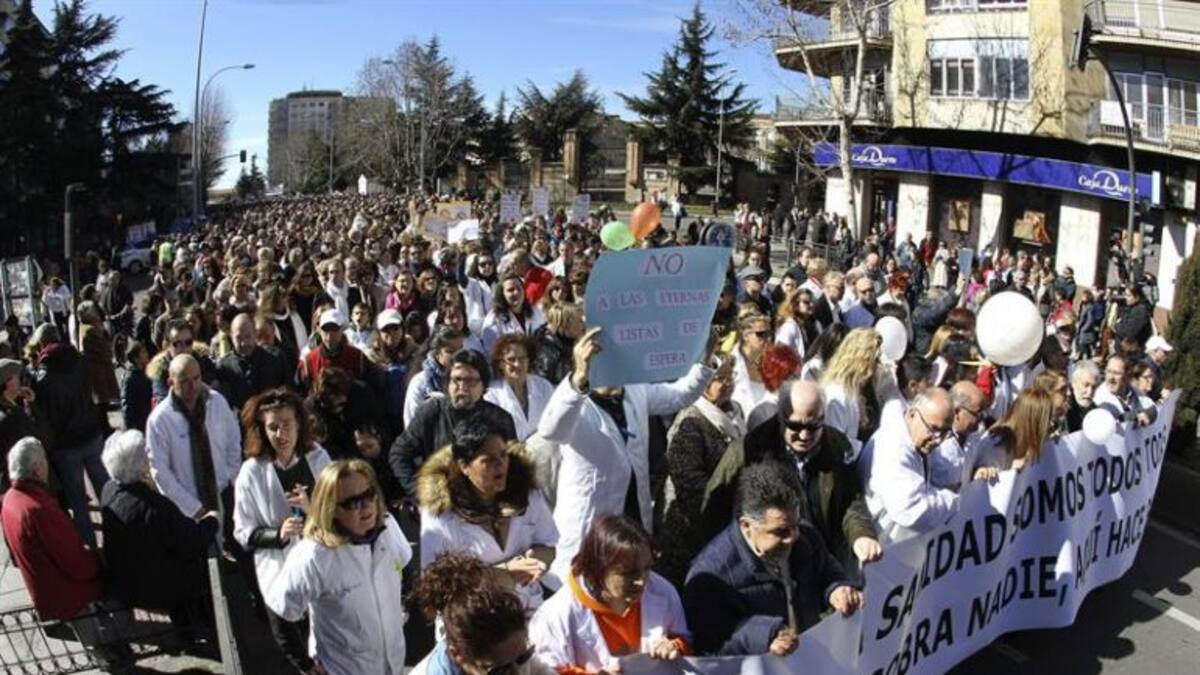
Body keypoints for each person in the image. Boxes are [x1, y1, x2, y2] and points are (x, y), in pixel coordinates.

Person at [537, 328, 712, 583]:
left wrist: (704, 359)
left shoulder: (635, 390)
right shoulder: (576, 403)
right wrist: (578, 380)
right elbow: (550, 429)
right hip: (590, 532)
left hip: (634, 525)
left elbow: (680, 395)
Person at [682, 463, 860, 656]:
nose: (792, 537)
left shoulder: (806, 537)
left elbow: (826, 570)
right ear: (746, 526)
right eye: (780, 531)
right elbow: (711, 642)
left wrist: (836, 588)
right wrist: (764, 635)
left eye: (796, 525)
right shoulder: (710, 578)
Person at [266, 459, 412, 675]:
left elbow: (405, 565)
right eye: (352, 502)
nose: (366, 507)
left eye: (368, 495)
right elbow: (280, 609)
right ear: (331, 509)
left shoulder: (388, 527)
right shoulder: (314, 556)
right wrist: (305, 665)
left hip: (393, 664)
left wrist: (403, 604)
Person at [234, 389, 332, 674]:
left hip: (321, 559)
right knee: (285, 625)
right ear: (262, 430)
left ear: (299, 423)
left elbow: (339, 510)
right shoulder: (252, 472)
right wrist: (278, 534)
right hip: (279, 564)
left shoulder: (317, 458)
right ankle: (305, 667)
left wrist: (312, 507)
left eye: (286, 424)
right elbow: (242, 531)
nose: (280, 433)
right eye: (272, 427)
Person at [417, 419, 557, 613]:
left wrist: (536, 560)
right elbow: (437, 583)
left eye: (503, 455)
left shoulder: (527, 493)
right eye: (488, 460)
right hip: (472, 622)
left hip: (528, 612)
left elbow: (549, 544)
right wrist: (505, 574)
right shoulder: (440, 515)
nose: (500, 464)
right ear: (464, 466)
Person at [736, 380, 879, 569]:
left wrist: (861, 535)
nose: (804, 436)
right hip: (770, 566)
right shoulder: (750, 451)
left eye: (813, 426)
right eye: (794, 426)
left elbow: (850, 501)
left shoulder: (837, 446)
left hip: (822, 564)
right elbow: (719, 511)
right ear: (780, 417)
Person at [530, 515, 691, 671]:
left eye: (647, 568)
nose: (642, 581)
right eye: (628, 572)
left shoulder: (663, 592)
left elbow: (685, 643)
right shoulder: (554, 615)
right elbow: (547, 671)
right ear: (596, 569)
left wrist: (674, 647)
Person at [99, 430, 217, 627]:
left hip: (128, 579)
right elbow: (191, 541)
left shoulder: (108, 490)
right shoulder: (154, 508)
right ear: (141, 466)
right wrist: (211, 520)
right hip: (160, 587)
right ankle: (195, 627)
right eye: (146, 454)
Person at [656, 357, 743, 586]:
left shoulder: (735, 413)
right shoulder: (690, 422)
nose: (725, 384)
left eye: (728, 378)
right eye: (717, 379)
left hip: (726, 522)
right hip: (691, 533)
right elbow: (689, 483)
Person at [390, 349, 517, 499]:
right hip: (444, 505)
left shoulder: (500, 419)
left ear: (483, 385)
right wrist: (422, 494)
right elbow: (398, 454)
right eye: (456, 379)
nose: (462, 386)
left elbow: (514, 466)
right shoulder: (433, 412)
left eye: (470, 381)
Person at [409, 553, 551, 675]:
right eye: (500, 672)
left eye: (523, 658)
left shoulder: (509, 652)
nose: (518, 673)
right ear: (457, 655)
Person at [146, 354, 242, 525]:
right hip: (186, 509)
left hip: (222, 493)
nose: (193, 386)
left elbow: (233, 440)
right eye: (184, 381)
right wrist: (193, 507)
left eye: (196, 378)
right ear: (170, 382)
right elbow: (160, 471)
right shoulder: (159, 420)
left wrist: (229, 475)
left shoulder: (217, 402)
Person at [32, 334, 109, 548]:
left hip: (66, 446)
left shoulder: (43, 380)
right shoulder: (80, 364)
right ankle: (120, 534)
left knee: (78, 502)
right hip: (91, 434)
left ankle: (91, 548)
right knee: (105, 489)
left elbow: (44, 417)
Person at [859, 388, 959, 545]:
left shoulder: (916, 436)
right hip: (880, 548)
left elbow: (946, 473)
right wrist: (952, 502)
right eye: (933, 429)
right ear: (912, 414)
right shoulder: (893, 448)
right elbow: (912, 510)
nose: (938, 440)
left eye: (945, 432)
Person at [962, 388, 1055, 485]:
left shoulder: (1029, 443)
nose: (1051, 424)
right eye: (1046, 420)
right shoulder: (995, 445)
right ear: (1032, 422)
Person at [819, 328, 882, 461]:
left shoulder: (854, 391)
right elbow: (836, 446)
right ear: (861, 362)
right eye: (875, 360)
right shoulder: (836, 396)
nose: (878, 366)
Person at [484, 334, 554, 442]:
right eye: (511, 359)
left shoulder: (544, 386)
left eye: (522, 359)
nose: (517, 364)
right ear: (501, 364)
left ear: (529, 360)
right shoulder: (491, 395)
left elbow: (555, 422)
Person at [216, 313, 288, 413]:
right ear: (231, 337)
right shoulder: (224, 367)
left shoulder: (275, 359)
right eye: (239, 338)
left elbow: (287, 390)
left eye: (248, 336)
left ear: (255, 333)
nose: (244, 343)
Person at [929, 381, 986, 492]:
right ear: (957, 411)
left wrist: (979, 471)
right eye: (977, 414)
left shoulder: (974, 437)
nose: (980, 420)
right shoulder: (934, 440)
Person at [403, 326, 465, 427]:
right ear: (437, 353)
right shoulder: (420, 383)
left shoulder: (466, 378)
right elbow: (412, 423)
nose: (458, 355)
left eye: (460, 350)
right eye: (450, 351)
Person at [481, 273, 546, 356]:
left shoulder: (535, 312)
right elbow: (490, 352)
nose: (516, 293)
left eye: (519, 288)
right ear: (502, 294)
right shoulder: (493, 319)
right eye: (510, 290)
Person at [300, 309, 367, 388]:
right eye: (326, 329)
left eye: (334, 329)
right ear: (319, 330)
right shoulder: (309, 361)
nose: (329, 335)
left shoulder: (357, 357)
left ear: (342, 329)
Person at [0, 358, 37, 493]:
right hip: (24, 481)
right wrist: (32, 408)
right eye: (16, 378)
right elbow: (39, 438)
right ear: (8, 383)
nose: (20, 381)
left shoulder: (10, 410)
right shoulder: (12, 418)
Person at [1094, 354, 1157, 427]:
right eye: (1108, 371)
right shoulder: (1100, 397)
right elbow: (1114, 420)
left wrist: (1148, 414)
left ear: (1128, 376)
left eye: (1116, 373)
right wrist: (1136, 417)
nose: (1111, 378)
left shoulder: (1132, 391)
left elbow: (1152, 407)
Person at [532, 302, 583, 386]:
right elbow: (545, 383)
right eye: (580, 320)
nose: (583, 325)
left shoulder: (567, 342)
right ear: (567, 323)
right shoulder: (545, 348)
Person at [774, 288, 818, 361]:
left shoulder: (811, 323)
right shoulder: (789, 326)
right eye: (806, 302)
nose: (811, 304)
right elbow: (780, 352)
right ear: (795, 304)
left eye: (813, 301)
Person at [119, 341, 152, 433]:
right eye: (143, 352)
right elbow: (126, 405)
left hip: (146, 419)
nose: (147, 354)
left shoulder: (145, 372)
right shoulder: (130, 378)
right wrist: (131, 430)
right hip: (138, 424)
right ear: (136, 358)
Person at [1066, 360, 1100, 433]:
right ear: (1073, 383)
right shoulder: (1064, 411)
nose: (1090, 392)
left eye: (1093, 387)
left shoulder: (1096, 413)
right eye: (1085, 385)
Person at [1143, 335, 1172, 401]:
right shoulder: (1145, 368)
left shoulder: (1155, 367)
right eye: (1164, 352)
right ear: (1154, 351)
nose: (1167, 355)